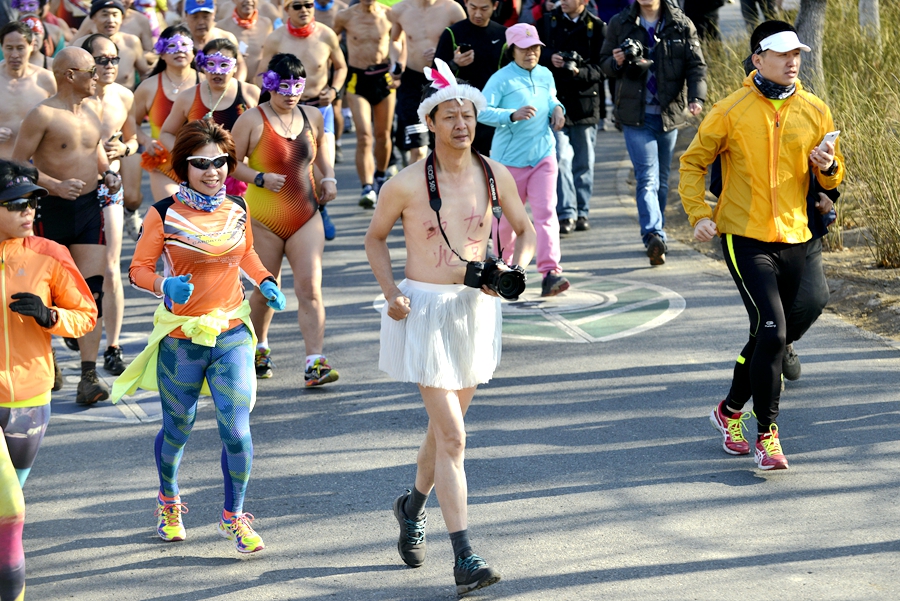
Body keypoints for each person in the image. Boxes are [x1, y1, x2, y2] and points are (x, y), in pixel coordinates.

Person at [364, 59, 535, 595]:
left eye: (468, 115)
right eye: (450, 116)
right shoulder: (409, 182)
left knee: (443, 432)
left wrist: (516, 267)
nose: (461, 124)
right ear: (432, 123)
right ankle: (465, 558)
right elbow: (374, 238)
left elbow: (525, 232)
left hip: (475, 311)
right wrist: (391, 294)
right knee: (455, 437)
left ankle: (411, 507)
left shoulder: (494, 173)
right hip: (424, 312)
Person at [111, 119, 287, 553]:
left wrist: (265, 280)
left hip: (230, 332)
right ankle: (168, 500)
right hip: (182, 337)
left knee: (237, 430)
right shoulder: (163, 213)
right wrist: (162, 286)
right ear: (183, 167)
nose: (213, 171)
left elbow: (246, 252)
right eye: (201, 163)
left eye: (221, 162)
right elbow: (138, 269)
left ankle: (234, 516)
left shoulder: (237, 209)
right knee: (178, 428)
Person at [679, 21, 844, 470]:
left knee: (779, 328)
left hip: (796, 233)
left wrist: (827, 169)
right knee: (772, 327)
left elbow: (833, 175)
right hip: (744, 236)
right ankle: (766, 436)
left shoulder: (815, 109)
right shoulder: (730, 109)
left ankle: (729, 408)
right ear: (758, 59)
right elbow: (693, 163)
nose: (793, 62)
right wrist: (699, 214)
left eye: (797, 54)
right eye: (782, 54)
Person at [0, 160, 97, 601]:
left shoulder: (50, 253)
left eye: (33, 202)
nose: (28, 212)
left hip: (31, 399)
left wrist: (50, 315)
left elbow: (86, 315)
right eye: (16, 204)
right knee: (10, 513)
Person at [12, 46, 122, 405]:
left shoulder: (93, 108)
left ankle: (88, 376)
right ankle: (53, 360)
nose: (99, 76)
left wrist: (108, 174)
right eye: (92, 70)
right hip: (49, 210)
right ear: (70, 74)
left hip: (89, 207)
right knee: (44, 294)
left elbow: (94, 151)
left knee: (92, 291)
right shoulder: (42, 114)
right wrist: (54, 185)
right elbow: (18, 165)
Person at [231, 53, 340, 384]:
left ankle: (314, 362)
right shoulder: (252, 119)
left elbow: (318, 156)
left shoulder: (313, 116)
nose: (290, 93)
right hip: (264, 217)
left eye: (297, 86)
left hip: (306, 215)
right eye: (283, 87)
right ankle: (259, 347)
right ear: (269, 85)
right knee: (267, 289)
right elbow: (229, 162)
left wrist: (329, 178)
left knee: (310, 287)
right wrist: (259, 178)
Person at [600, 0, 706, 265]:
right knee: (646, 177)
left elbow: (696, 65)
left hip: (668, 112)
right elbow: (604, 64)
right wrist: (616, 62)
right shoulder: (620, 23)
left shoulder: (681, 23)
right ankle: (653, 234)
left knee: (660, 180)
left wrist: (696, 98)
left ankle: (658, 233)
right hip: (635, 115)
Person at [479, 23, 568, 297]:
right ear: (512, 50)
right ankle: (503, 272)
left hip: (543, 155)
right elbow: (480, 111)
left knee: (546, 215)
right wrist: (510, 115)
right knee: (505, 222)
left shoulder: (545, 74)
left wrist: (558, 110)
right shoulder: (500, 79)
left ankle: (551, 273)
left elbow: (551, 99)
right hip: (508, 164)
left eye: (535, 48)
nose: (531, 53)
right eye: (524, 48)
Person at [256, 0, 346, 233]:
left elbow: (341, 67)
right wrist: (268, 101)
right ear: (287, 10)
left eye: (308, 4)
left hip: (319, 109)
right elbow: (261, 74)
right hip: (286, 111)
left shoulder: (326, 34)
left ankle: (321, 208)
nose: (304, 9)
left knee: (324, 166)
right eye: (297, 6)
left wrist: (334, 90)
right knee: (295, 166)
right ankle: (300, 214)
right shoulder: (276, 38)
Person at [82, 33, 138, 376]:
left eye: (114, 59)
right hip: (75, 189)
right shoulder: (74, 97)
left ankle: (113, 346)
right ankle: (80, 323)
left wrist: (125, 150)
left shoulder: (124, 95)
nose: (108, 66)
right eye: (101, 60)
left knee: (112, 265)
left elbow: (133, 137)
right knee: (77, 269)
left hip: (109, 187)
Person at [160, 37, 261, 196]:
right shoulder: (188, 97)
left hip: (243, 177)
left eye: (224, 65)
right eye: (211, 64)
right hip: (203, 175)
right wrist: (187, 154)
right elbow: (166, 133)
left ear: (235, 66)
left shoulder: (251, 93)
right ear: (202, 65)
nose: (217, 71)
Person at [538, 0, 605, 234]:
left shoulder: (596, 27)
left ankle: (583, 211)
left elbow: (603, 68)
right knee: (560, 158)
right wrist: (550, 57)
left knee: (584, 163)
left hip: (586, 105)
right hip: (556, 104)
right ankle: (566, 213)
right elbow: (532, 52)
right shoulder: (547, 23)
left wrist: (579, 71)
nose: (562, 1)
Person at [332, 0, 398, 207]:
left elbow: (398, 41)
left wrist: (399, 68)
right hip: (357, 79)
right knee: (364, 136)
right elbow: (329, 42)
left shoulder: (389, 14)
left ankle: (380, 176)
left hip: (383, 78)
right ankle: (367, 187)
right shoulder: (345, 16)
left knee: (383, 134)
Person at [389, 0, 466, 165]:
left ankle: (444, 186)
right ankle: (416, 188)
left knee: (445, 143)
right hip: (412, 81)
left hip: (443, 81)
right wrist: (396, 63)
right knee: (418, 148)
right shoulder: (400, 9)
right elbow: (394, 40)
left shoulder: (451, 8)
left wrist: (444, 52)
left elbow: (466, 41)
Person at [132, 24, 198, 201]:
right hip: (164, 164)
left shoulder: (207, 84)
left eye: (185, 45)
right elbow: (131, 122)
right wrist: (147, 141)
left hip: (204, 164)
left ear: (193, 51)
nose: (180, 51)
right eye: (172, 46)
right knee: (174, 217)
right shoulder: (149, 86)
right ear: (161, 52)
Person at [433, 0, 507, 155]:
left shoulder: (503, 34)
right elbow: (434, 75)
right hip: (461, 110)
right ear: (465, 3)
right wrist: (454, 64)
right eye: (473, 7)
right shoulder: (452, 33)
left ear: (495, 5)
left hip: (492, 109)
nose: (478, 14)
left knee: (490, 164)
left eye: (484, 8)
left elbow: (510, 72)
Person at [0, 21, 56, 159]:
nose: (14, 54)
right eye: (9, 48)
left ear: (31, 46)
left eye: (20, 48)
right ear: (2, 47)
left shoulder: (46, 79)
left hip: (35, 164)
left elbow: (65, 119)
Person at [72, 0, 152, 89]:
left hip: (125, 101)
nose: (110, 20)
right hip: (90, 101)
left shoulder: (131, 42)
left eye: (115, 15)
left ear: (122, 18)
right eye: (104, 15)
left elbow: (145, 73)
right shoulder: (81, 44)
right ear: (93, 18)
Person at [183, 0, 248, 81]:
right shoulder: (181, 42)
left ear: (213, 14)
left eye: (205, 17)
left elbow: (240, 64)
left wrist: (237, 87)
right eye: (195, 17)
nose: (201, 22)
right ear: (186, 16)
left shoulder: (226, 38)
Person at [216, 0, 273, 82]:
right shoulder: (222, 26)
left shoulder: (266, 24)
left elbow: (269, 54)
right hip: (233, 85)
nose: (248, 1)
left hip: (259, 85)